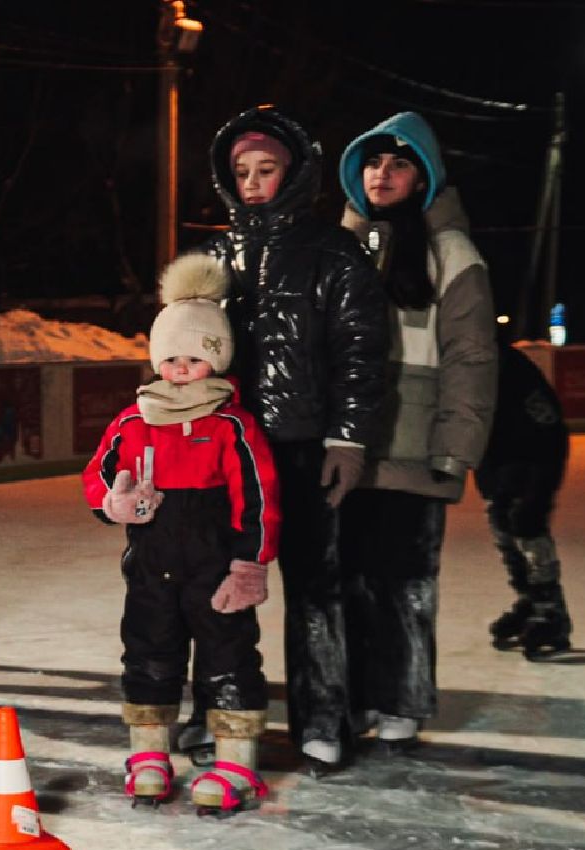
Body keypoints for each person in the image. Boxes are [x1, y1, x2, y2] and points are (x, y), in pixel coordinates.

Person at [183, 105, 389, 773]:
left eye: (264, 169)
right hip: (226, 450)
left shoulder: (334, 251)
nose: (250, 182)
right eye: (240, 171)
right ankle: (216, 715)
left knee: (316, 586)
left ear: (294, 173)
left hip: (303, 445)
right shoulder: (210, 258)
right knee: (216, 588)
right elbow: (181, 352)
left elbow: (360, 352)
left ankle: (322, 718)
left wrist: (348, 439)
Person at [84, 255, 281, 814]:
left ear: (216, 361)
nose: (180, 368)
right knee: (148, 655)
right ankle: (149, 753)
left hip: (215, 570)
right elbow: (97, 474)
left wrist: (250, 564)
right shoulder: (135, 419)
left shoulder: (231, 425)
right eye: (170, 358)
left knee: (228, 658)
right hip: (150, 569)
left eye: (195, 358)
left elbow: (260, 498)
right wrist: (113, 502)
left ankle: (236, 758)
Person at [336, 110, 498, 750]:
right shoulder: (338, 248)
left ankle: (401, 701)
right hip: (345, 452)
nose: (383, 174)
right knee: (347, 586)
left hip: (415, 453)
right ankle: (353, 699)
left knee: (404, 589)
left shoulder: (451, 253)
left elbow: (472, 358)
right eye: (373, 162)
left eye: (399, 163)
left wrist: (455, 451)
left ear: (423, 175)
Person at [477, 337, 572, 658]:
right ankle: (532, 600)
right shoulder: (461, 366)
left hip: (534, 457)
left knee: (527, 527)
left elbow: (552, 430)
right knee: (502, 530)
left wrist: (541, 491)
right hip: (496, 463)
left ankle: (551, 612)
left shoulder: (516, 373)